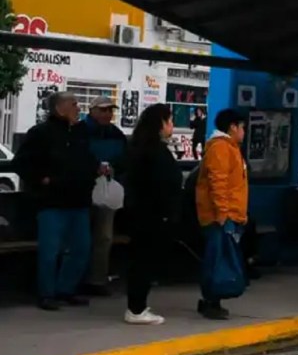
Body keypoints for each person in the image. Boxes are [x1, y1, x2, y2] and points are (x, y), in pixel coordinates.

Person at [13, 91, 103, 311]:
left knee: (81, 248)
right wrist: (41, 179)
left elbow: (87, 159)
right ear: (59, 108)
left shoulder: (81, 133)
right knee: (50, 251)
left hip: (79, 200)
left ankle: (66, 288)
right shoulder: (41, 133)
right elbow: (21, 162)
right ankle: (47, 293)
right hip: (51, 201)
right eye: (74, 104)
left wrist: (95, 170)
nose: (78, 108)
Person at [122, 104, 182, 325]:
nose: (172, 125)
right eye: (170, 120)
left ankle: (138, 305)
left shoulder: (142, 148)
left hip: (144, 213)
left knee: (143, 260)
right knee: (143, 261)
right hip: (151, 214)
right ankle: (136, 309)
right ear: (160, 123)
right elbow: (159, 183)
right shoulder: (152, 152)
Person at [194, 108, 248, 320]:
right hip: (220, 217)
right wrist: (223, 213)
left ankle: (213, 300)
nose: (244, 132)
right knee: (216, 260)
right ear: (232, 127)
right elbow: (218, 182)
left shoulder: (230, 148)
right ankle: (210, 301)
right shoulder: (221, 148)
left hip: (229, 215)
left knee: (220, 258)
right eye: (242, 127)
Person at [82, 96, 129, 297]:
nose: (107, 114)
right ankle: (77, 279)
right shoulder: (80, 131)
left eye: (110, 110)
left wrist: (114, 167)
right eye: (103, 110)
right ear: (92, 110)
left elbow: (126, 159)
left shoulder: (116, 134)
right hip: (82, 191)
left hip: (106, 190)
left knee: (104, 237)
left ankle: (97, 279)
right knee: (82, 237)